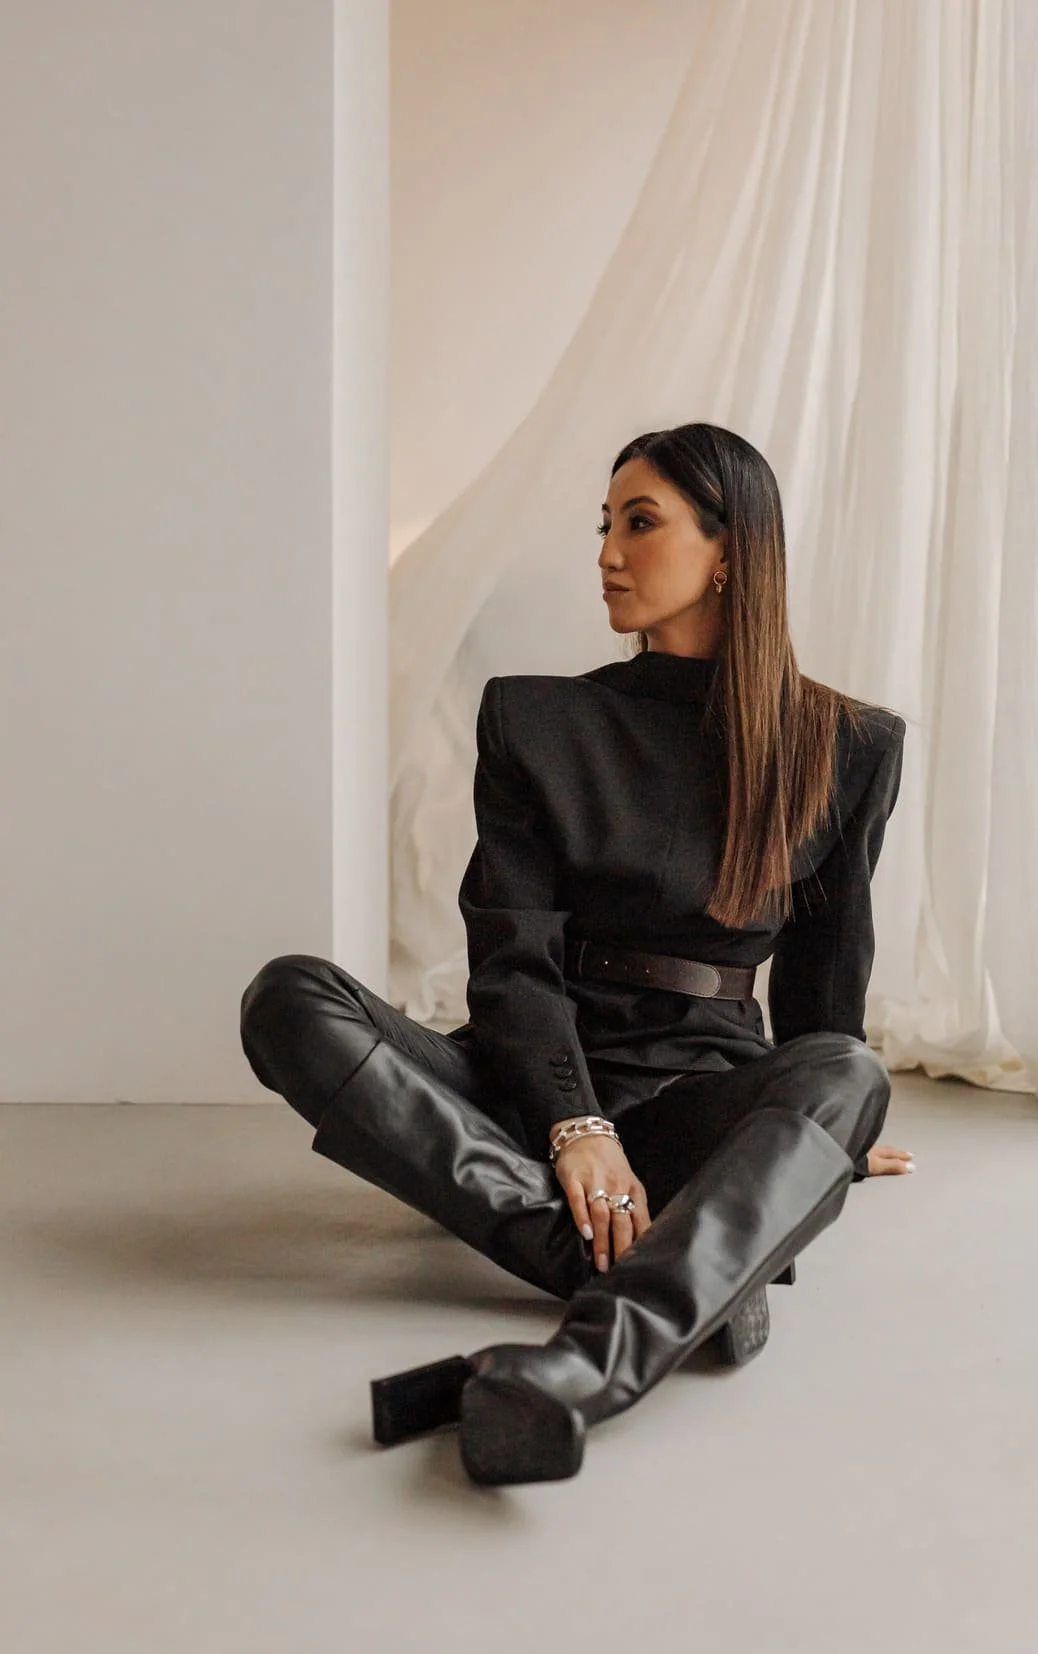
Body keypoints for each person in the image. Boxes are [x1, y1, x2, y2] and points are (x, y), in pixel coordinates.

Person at [240, 421, 911, 1487]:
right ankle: (684, 1276)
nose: (606, 552)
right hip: (524, 1086)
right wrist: (574, 1124)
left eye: (639, 524)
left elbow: (825, 975)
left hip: (697, 1101)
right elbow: (511, 955)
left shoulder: (848, 743)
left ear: (730, 549)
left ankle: (584, 1365)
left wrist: (827, 1134)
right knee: (290, 998)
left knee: (848, 1072)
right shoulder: (536, 719)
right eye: (604, 525)